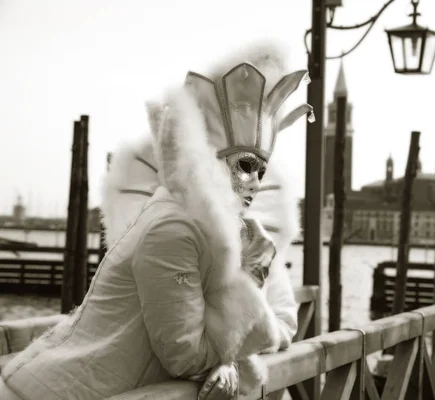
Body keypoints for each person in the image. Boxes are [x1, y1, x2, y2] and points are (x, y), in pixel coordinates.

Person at [0, 41, 313, 400]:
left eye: (262, 170)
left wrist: (227, 360)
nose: (256, 183)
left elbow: (215, 338)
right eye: (244, 165)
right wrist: (250, 276)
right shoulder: (174, 229)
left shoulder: (209, 232)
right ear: (208, 162)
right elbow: (185, 356)